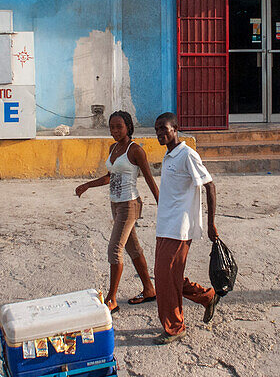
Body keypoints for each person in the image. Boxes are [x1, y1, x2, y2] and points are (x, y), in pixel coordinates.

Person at [75, 110, 158, 313]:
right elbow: (109, 177)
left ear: (128, 127)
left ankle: (112, 299)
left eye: (119, 127)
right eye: (112, 127)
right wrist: (87, 185)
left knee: (115, 249)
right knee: (133, 248)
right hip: (116, 204)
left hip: (130, 204)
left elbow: (148, 178)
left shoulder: (135, 150)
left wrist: (162, 204)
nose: (115, 131)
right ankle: (149, 289)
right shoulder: (113, 148)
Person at [151, 112, 220, 345]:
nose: (161, 133)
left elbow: (209, 186)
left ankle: (175, 327)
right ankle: (207, 296)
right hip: (165, 226)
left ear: (176, 128)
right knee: (165, 277)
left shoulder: (187, 154)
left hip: (180, 227)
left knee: (165, 277)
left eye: (164, 128)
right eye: (157, 129)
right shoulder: (169, 156)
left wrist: (210, 224)